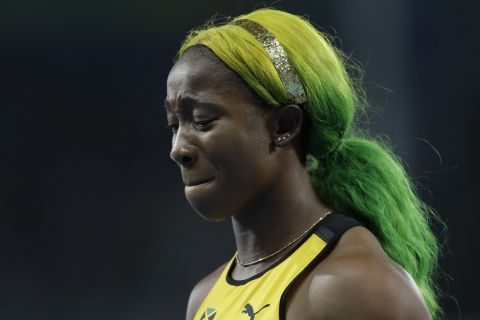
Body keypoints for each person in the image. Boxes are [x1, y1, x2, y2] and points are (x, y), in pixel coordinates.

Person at [164, 8, 441, 320]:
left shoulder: (352, 287)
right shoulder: (204, 298)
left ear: (284, 125)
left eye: (202, 121)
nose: (179, 149)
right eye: (175, 125)